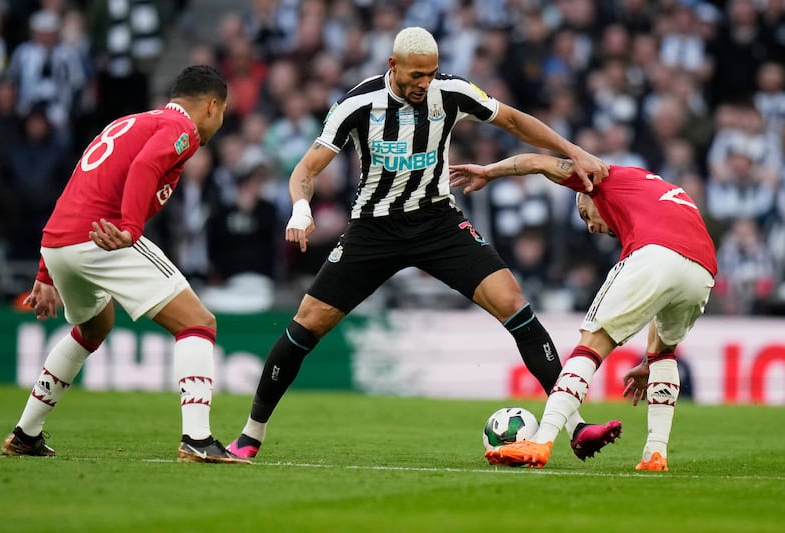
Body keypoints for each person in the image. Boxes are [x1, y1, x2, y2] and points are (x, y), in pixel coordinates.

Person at [226, 27, 621, 461]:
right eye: (417, 75)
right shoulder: (357, 104)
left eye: (431, 74)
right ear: (392, 66)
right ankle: (250, 434)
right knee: (308, 322)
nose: (424, 84)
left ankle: (576, 427)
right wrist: (301, 207)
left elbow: (512, 120)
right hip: (373, 230)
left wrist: (574, 151)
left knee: (512, 300)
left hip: (436, 222)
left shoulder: (451, 92)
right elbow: (306, 167)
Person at [1, 65, 248, 464]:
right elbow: (145, 167)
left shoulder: (132, 122)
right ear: (211, 106)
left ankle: (25, 434)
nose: (220, 122)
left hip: (62, 242)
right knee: (198, 322)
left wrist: (46, 270)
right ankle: (197, 439)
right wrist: (130, 228)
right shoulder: (179, 128)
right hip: (101, 236)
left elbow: (76, 187)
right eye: (222, 113)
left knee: (94, 326)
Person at [449, 153, 716, 471]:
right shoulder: (662, 193)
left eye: (584, 214)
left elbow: (538, 161)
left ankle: (541, 441)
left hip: (656, 253)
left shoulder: (600, 177)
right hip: (703, 269)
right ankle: (654, 454)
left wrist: (490, 171)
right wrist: (649, 360)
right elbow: (670, 285)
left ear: (588, 193)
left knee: (590, 345)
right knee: (663, 356)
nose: (589, 226)